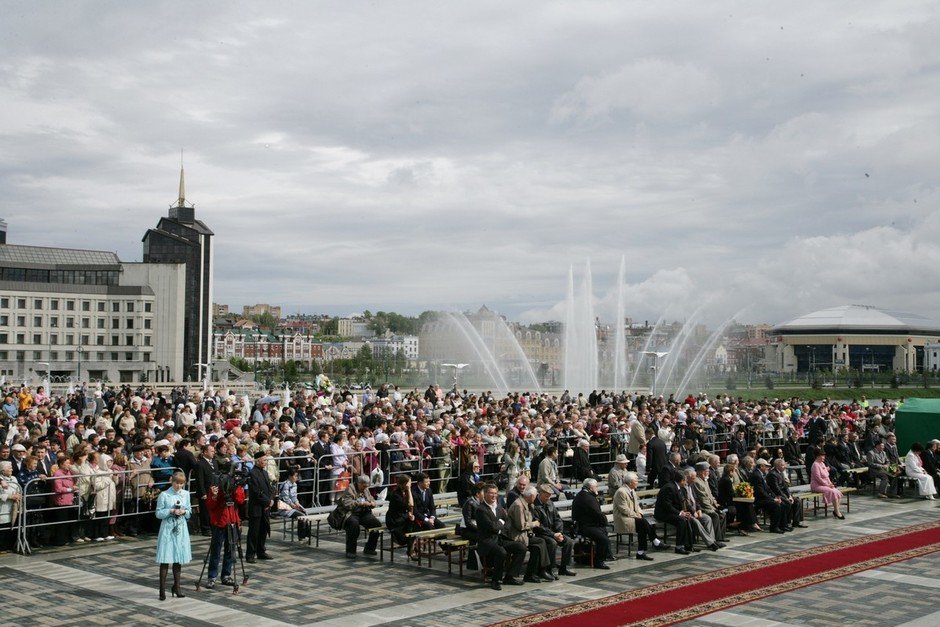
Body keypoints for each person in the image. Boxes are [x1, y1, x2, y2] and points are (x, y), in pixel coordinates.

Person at [474, 482, 526, 590]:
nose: (494, 496)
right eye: (491, 493)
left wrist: (500, 524)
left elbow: (507, 522)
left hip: (499, 538)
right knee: (501, 552)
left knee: (521, 548)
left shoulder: (499, 507)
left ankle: (510, 576)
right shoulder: (481, 510)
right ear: (485, 494)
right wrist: (500, 523)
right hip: (487, 541)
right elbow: (491, 527)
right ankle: (496, 580)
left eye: (495, 493)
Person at [155, 471, 192, 600]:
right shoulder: (164, 495)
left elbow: (189, 512)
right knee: (165, 558)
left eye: (181, 484)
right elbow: (158, 513)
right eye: (176, 483)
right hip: (168, 528)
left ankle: (177, 586)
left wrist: (184, 511)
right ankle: (162, 589)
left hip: (180, 528)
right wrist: (171, 510)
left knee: (178, 558)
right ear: (172, 482)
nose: (178, 486)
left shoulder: (186, 494)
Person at [204, 474, 245, 589]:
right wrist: (214, 495)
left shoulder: (235, 486)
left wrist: (237, 487)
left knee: (230, 550)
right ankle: (212, 577)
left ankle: (226, 575)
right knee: (215, 550)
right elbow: (210, 505)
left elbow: (240, 500)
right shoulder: (215, 486)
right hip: (219, 521)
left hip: (232, 520)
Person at [613, 471, 666, 561]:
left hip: (632, 517)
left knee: (643, 526)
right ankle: (655, 541)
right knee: (643, 523)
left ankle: (641, 553)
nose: (637, 482)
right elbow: (624, 509)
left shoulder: (632, 490)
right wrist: (636, 515)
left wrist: (640, 513)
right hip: (623, 518)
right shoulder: (621, 492)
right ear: (630, 482)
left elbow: (637, 506)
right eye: (636, 481)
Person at [506, 485, 551, 582]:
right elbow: (521, 526)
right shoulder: (518, 505)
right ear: (530, 496)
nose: (535, 498)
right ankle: (542, 570)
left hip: (524, 534)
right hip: (515, 535)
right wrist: (533, 524)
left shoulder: (528, 504)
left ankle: (532, 573)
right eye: (535, 496)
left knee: (538, 546)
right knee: (540, 542)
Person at [532, 483, 576, 576]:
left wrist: (559, 532)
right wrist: (553, 535)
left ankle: (563, 568)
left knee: (568, 542)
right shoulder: (534, 505)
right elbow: (538, 526)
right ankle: (550, 568)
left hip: (554, 532)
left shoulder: (550, 503)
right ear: (540, 494)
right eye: (546, 496)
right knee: (552, 543)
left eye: (549, 496)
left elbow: (557, 519)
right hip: (541, 533)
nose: (548, 498)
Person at [335, 475, 382, 558]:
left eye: (367, 486)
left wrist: (372, 503)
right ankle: (351, 551)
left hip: (364, 513)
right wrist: (359, 503)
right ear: (359, 483)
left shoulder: (366, 489)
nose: (365, 488)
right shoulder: (350, 489)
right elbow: (347, 504)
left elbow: (371, 499)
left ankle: (369, 548)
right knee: (353, 525)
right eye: (364, 486)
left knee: (376, 525)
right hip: (352, 513)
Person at [571, 478, 612, 569]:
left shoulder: (585, 495)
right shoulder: (587, 498)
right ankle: (599, 561)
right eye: (596, 487)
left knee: (603, 532)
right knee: (603, 539)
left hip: (589, 524)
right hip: (585, 527)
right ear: (590, 487)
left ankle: (606, 555)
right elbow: (597, 513)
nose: (597, 488)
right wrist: (604, 522)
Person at [655, 469, 695, 554]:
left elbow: (681, 502)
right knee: (681, 520)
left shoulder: (679, 488)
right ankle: (679, 547)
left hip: (672, 511)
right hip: (663, 513)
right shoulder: (669, 488)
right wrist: (680, 513)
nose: (686, 482)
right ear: (682, 480)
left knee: (687, 518)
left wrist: (686, 512)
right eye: (685, 480)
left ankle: (688, 545)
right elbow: (667, 505)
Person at [245, 449, 274, 563]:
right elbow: (256, 492)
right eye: (264, 460)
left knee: (263, 530)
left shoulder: (265, 472)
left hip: (265, 507)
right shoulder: (252, 473)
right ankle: (250, 554)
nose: (265, 462)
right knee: (254, 532)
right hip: (257, 507)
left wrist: (270, 500)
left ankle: (261, 551)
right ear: (257, 461)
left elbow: (270, 488)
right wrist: (267, 502)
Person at [749, 458, 789, 533]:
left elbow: (768, 489)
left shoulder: (760, 474)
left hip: (764, 497)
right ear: (761, 466)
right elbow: (760, 492)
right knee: (776, 505)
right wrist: (773, 499)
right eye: (766, 466)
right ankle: (774, 527)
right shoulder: (756, 475)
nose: (768, 468)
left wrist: (775, 497)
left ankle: (782, 525)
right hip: (759, 499)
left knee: (783, 503)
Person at [692, 462, 728, 543]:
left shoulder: (705, 480)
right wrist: (714, 509)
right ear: (701, 471)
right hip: (703, 507)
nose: (708, 473)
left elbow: (710, 495)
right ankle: (715, 539)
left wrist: (716, 504)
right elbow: (703, 499)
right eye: (707, 471)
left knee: (723, 514)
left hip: (710, 505)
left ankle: (720, 537)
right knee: (715, 515)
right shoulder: (697, 482)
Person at [768, 458, 807, 529]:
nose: (785, 466)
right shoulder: (772, 474)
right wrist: (786, 498)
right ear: (777, 466)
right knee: (787, 503)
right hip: (777, 495)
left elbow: (785, 487)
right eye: (783, 465)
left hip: (784, 494)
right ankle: (785, 523)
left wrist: (789, 496)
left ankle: (796, 522)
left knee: (797, 501)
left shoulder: (780, 473)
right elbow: (776, 489)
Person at [386, 474, 419, 560]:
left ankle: (411, 549)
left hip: (404, 517)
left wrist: (410, 515)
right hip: (395, 520)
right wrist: (409, 490)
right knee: (404, 537)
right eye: (409, 483)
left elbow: (413, 505)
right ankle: (411, 549)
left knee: (416, 526)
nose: (410, 485)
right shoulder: (396, 494)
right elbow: (410, 505)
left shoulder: (408, 492)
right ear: (404, 484)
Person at [810, 449, 845, 519]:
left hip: (825, 484)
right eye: (822, 456)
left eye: (824, 456)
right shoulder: (815, 465)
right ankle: (837, 512)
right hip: (817, 485)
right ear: (817, 456)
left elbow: (827, 476)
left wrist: (830, 483)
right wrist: (827, 485)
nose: (824, 457)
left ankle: (835, 511)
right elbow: (818, 478)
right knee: (832, 492)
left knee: (837, 492)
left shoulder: (822, 464)